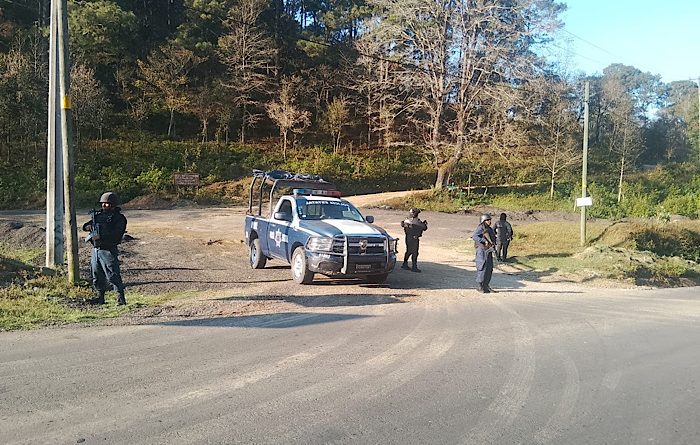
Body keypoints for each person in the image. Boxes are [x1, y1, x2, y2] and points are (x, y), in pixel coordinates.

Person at [82, 192, 128, 305]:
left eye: (107, 204)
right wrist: (88, 227)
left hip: (108, 249)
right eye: (102, 204)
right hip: (96, 249)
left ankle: (120, 298)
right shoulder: (98, 216)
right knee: (96, 274)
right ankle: (100, 297)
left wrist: (101, 236)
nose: (104, 206)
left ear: (113, 205)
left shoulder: (118, 218)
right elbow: (85, 226)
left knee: (112, 274)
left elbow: (117, 234)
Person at [471, 213, 496, 293]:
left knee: (489, 269)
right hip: (481, 250)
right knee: (482, 267)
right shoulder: (480, 228)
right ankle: (480, 286)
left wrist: (493, 245)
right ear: (483, 221)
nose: (489, 221)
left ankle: (486, 286)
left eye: (490, 220)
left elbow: (493, 239)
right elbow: (474, 236)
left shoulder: (489, 229)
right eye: (487, 220)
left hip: (488, 251)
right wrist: (484, 240)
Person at [400, 208, 428, 272]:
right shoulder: (415, 221)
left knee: (409, 251)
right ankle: (414, 267)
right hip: (414, 238)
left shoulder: (406, 220)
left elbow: (403, 224)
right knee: (415, 252)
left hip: (408, 237)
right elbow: (424, 227)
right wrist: (424, 224)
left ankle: (405, 264)